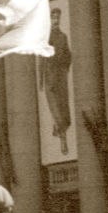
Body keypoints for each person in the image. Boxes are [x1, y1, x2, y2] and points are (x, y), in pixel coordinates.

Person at [39, 8, 73, 156]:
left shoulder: (63, 36)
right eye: (53, 17)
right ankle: (63, 140)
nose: (56, 20)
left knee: (63, 109)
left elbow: (68, 54)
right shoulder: (46, 37)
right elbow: (41, 59)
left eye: (58, 17)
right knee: (57, 110)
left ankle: (58, 128)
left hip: (61, 78)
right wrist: (41, 79)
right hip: (50, 78)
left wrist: (65, 67)